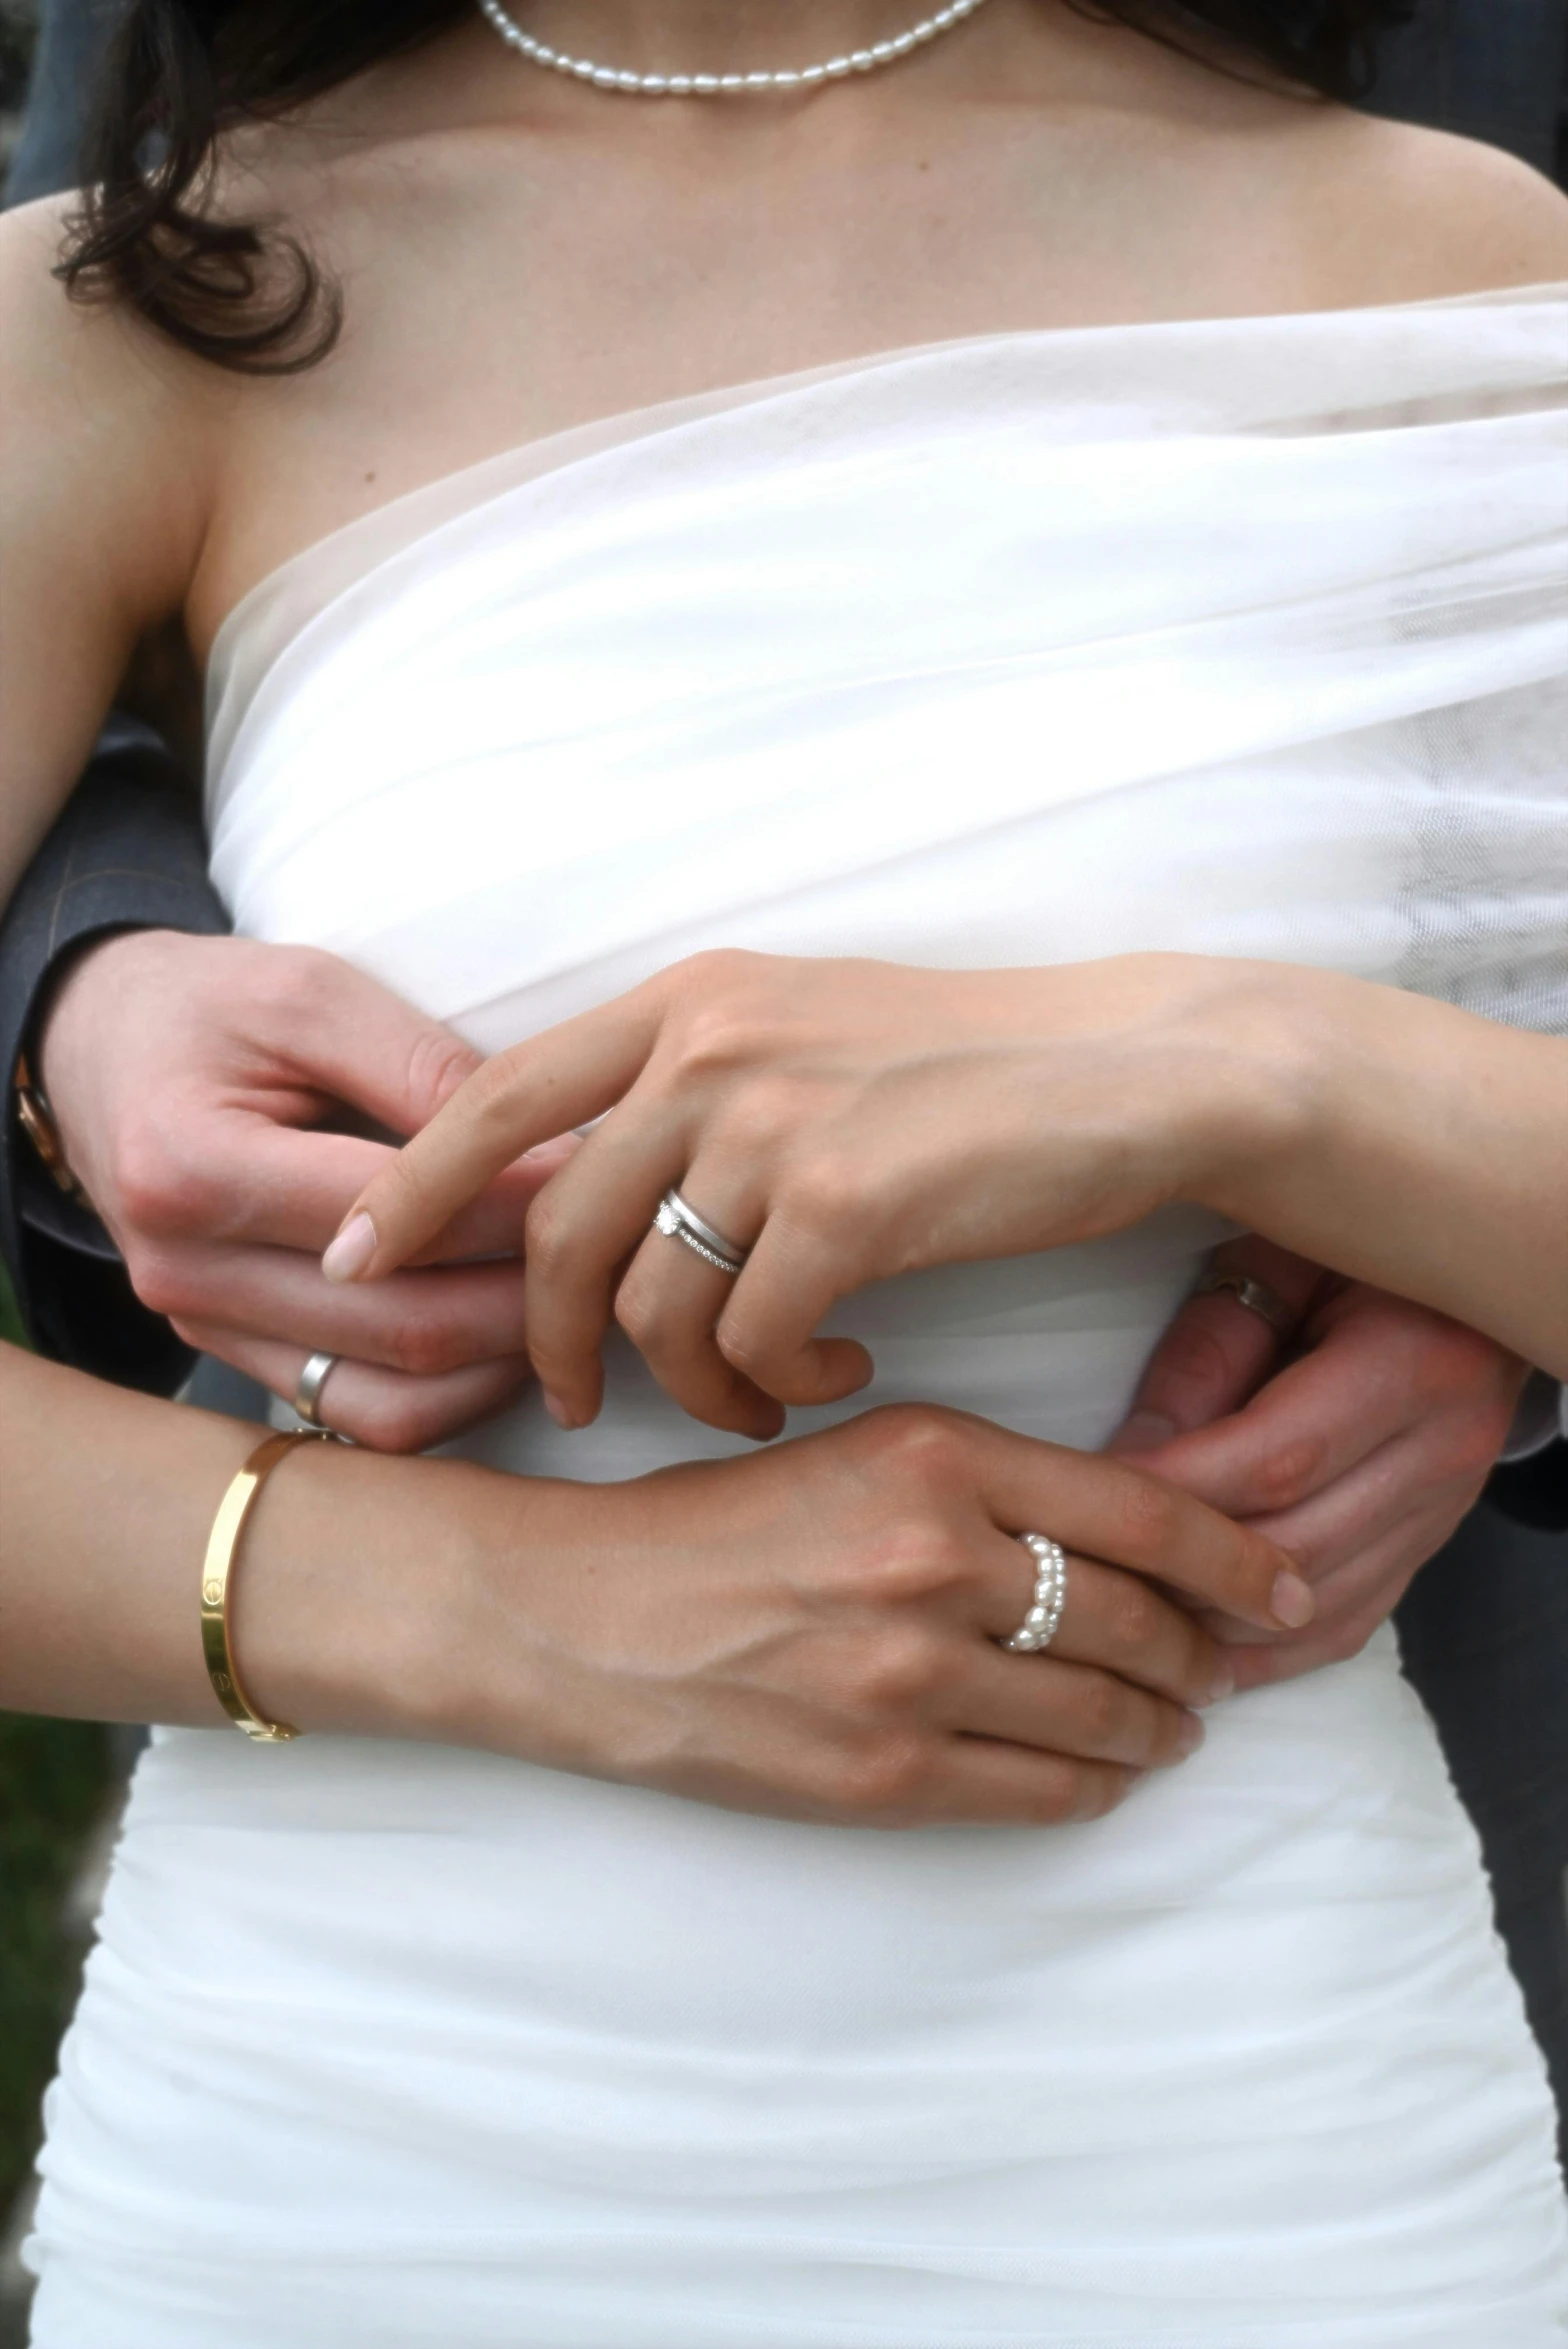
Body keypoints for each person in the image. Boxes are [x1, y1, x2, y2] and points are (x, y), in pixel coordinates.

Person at [1, 0, 1566, 2341]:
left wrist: (1266, 1071)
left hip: (1245, 2138)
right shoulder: (142, 306)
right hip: (358, 2147)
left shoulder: (1447, 266)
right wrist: (529, 1614)